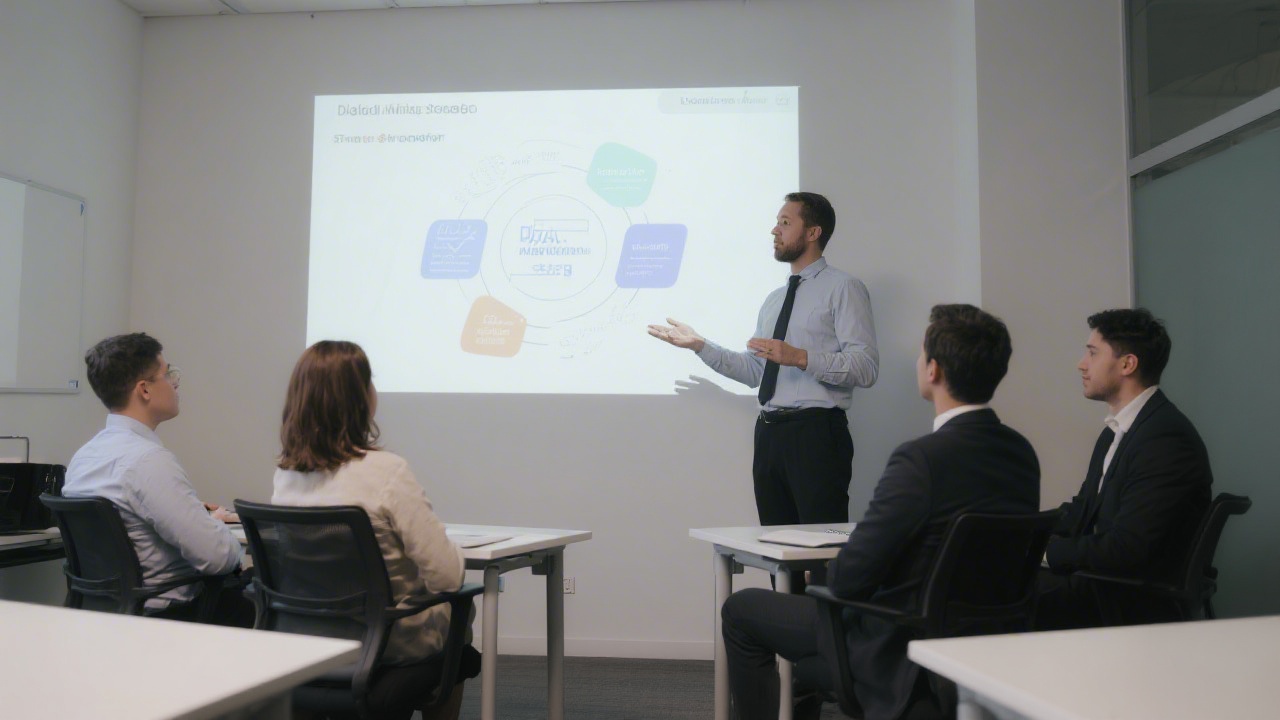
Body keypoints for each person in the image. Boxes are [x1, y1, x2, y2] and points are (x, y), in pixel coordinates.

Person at [720, 304, 1039, 720]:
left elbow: (850, 577)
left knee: (740, 610)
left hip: (894, 635)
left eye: (922, 353)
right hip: (981, 637)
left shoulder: (920, 460)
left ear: (933, 370)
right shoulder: (1021, 454)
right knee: (807, 658)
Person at [648, 192, 878, 531]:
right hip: (769, 434)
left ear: (812, 233)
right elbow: (755, 372)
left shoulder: (844, 288)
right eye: (776, 222)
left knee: (820, 546)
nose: (775, 230)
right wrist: (700, 345)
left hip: (816, 434)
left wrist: (800, 357)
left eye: (785, 222)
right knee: (775, 546)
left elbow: (866, 367)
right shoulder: (774, 299)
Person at [271, 340, 471, 720]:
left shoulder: (286, 476)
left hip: (308, 640)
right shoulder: (387, 471)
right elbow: (446, 577)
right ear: (360, 398)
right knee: (462, 614)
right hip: (385, 643)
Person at [1037, 308, 1213, 628]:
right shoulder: (1117, 432)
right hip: (1107, 585)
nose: (1082, 364)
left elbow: (1128, 548)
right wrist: (1022, 534)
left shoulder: (1165, 439)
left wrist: (1048, 554)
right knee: (999, 577)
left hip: (1130, 597)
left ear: (1127, 364)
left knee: (997, 590)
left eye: (1093, 353)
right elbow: (1082, 511)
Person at [63, 332, 250, 626]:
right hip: (169, 617)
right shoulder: (148, 462)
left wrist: (194, 515)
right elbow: (217, 558)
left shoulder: (83, 458)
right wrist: (215, 527)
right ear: (145, 390)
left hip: (106, 615)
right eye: (167, 374)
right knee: (258, 597)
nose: (175, 383)